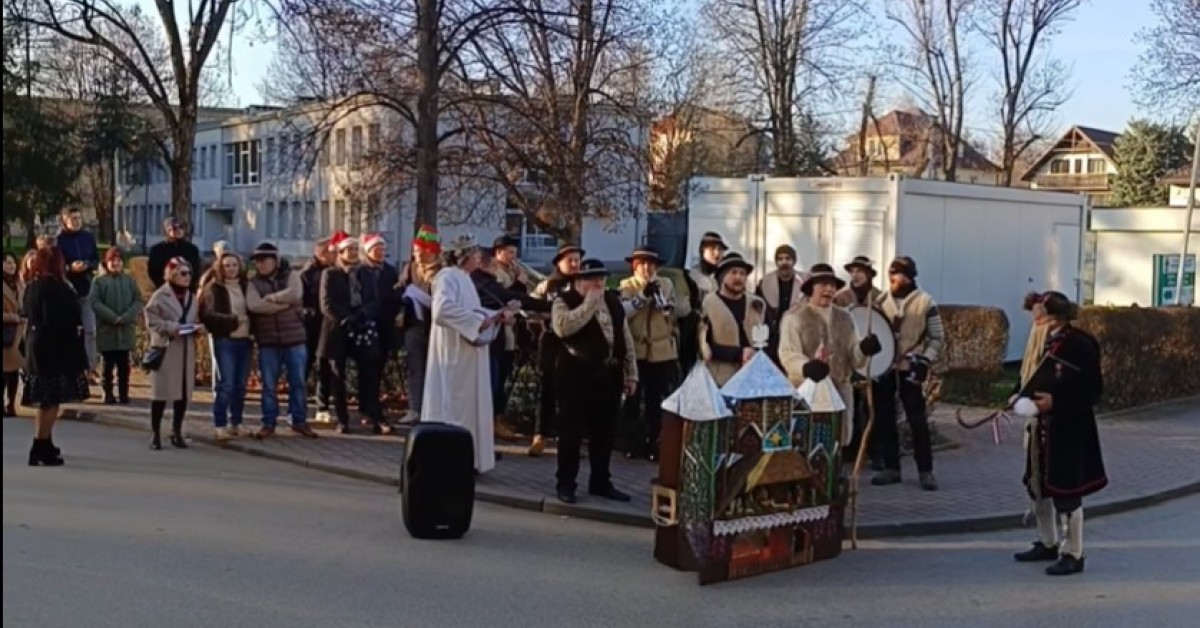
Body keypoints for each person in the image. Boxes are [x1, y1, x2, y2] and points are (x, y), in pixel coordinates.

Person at [1012, 291, 1106, 577]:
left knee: (1067, 492)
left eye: (1038, 312)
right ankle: (1048, 541)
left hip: (1069, 428)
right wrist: (1018, 395)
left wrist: (1056, 402)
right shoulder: (1040, 339)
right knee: (1038, 486)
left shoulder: (1080, 344)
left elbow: (1092, 390)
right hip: (1041, 427)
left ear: (1053, 314)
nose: (1034, 318)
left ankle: (1073, 552)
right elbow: (1030, 376)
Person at [551, 259, 636, 505]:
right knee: (571, 432)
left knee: (604, 431)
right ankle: (566, 483)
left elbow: (625, 337)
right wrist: (588, 304)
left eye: (601, 279)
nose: (598, 284)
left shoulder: (612, 301)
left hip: (608, 374)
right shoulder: (564, 301)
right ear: (578, 281)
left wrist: (631, 373)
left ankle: (600, 481)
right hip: (576, 372)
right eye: (591, 279)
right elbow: (563, 328)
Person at [422, 234, 506, 474]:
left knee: (469, 405)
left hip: (468, 354)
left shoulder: (464, 278)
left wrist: (496, 315)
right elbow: (442, 310)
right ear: (465, 256)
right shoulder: (447, 276)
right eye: (477, 253)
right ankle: (452, 462)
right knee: (456, 406)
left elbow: (471, 311)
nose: (480, 258)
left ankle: (468, 460)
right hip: (454, 356)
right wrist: (478, 321)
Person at [778, 263, 881, 442]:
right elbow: (788, 353)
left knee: (836, 442)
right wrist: (806, 367)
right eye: (823, 285)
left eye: (832, 285)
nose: (829, 289)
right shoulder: (794, 318)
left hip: (839, 391)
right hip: (806, 392)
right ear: (811, 288)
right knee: (806, 441)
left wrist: (864, 349)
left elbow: (855, 358)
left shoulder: (846, 317)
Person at [871, 256, 944, 491]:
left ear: (910, 277)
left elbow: (937, 336)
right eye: (891, 273)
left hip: (910, 366)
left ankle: (926, 471)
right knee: (884, 418)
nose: (893, 277)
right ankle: (891, 467)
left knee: (917, 420)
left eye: (899, 273)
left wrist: (926, 359)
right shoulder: (880, 301)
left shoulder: (925, 302)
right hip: (884, 368)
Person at [21, 247, 91, 466]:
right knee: (50, 401)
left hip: (37, 345)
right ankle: (39, 446)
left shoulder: (33, 287)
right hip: (54, 348)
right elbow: (59, 320)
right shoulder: (57, 288)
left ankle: (46, 442)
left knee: (47, 399)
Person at [618, 246, 688, 461]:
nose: (646, 268)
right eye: (642, 264)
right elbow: (624, 313)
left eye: (650, 264)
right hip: (637, 350)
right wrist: (642, 297)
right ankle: (632, 443)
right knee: (633, 399)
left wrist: (667, 304)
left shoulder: (666, 284)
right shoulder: (626, 285)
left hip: (661, 352)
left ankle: (655, 442)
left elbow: (679, 311)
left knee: (656, 400)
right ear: (634, 266)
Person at [472, 240, 546, 441]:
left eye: (515, 252)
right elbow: (507, 296)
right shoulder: (488, 276)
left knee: (501, 377)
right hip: (495, 333)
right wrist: (521, 284)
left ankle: (497, 419)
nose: (513, 257)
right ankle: (491, 423)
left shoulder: (505, 272)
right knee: (494, 380)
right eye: (509, 252)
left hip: (508, 332)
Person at [319, 233, 391, 435]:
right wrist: (345, 318)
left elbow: (374, 300)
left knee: (369, 373)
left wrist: (361, 315)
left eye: (354, 250)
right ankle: (342, 419)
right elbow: (326, 304)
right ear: (340, 253)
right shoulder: (331, 274)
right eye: (347, 250)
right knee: (338, 376)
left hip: (362, 327)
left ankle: (374, 415)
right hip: (337, 329)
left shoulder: (365, 273)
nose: (352, 253)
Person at [247, 242, 317, 438]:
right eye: (257, 261)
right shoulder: (253, 283)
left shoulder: (291, 276)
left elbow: (296, 294)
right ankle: (268, 422)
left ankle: (299, 420)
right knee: (269, 385)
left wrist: (272, 298)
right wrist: (284, 305)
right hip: (268, 341)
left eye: (263, 260)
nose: (260, 265)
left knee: (298, 383)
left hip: (295, 339)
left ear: (275, 261)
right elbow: (254, 305)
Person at [527, 243, 583, 456]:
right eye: (570, 260)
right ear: (559, 262)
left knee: (572, 393)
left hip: (577, 343)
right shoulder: (547, 285)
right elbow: (528, 308)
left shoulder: (583, 284)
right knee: (547, 389)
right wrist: (543, 317)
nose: (575, 264)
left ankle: (570, 438)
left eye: (577, 260)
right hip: (551, 341)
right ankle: (540, 435)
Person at [144, 257, 202, 450]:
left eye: (189, 273)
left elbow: (198, 317)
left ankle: (176, 431)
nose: (187, 277)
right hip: (166, 348)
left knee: (182, 394)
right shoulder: (160, 296)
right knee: (160, 393)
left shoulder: (192, 298)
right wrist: (173, 327)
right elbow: (151, 321)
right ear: (172, 274)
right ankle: (155, 433)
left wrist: (198, 328)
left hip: (186, 349)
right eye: (183, 273)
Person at [833, 255, 884, 468]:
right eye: (852, 271)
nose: (855, 275)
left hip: (872, 362)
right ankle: (849, 450)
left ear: (869, 274)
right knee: (850, 408)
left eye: (860, 271)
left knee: (874, 408)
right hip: (850, 358)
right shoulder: (842, 298)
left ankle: (875, 452)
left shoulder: (879, 298)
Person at [198, 251, 252, 440]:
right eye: (227, 265)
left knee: (240, 386)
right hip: (225, 340)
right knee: (226, 384)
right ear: (220, 268)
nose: (231, 269)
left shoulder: (246, 287)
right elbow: (208, 316)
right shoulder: (214, 289)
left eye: (234, 265)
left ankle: (236, 422)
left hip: (244, 341)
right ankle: (220, 424)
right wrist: (234, 320)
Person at [698, 251, 764, 386]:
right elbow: (703, 346)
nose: (738, 277)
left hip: (754, 376)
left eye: (742, 273)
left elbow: (771, 337)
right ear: (722, 276)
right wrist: (738, 354)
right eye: (733, 273)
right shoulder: (709, 303)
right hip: (721, 378)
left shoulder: (757, 303)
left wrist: (756, 354)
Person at [396, 225, 442, 424]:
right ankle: (414, 408)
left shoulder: (443, 270)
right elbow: (399, 287)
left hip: (435, 325)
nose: (419, 257)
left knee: (437, 368)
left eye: (423, 253)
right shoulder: (411, 267)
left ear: (433, 252)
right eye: (415, 253)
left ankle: (434, 410)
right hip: (414, 323)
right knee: (415, 367)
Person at [89, 248, 143, 405]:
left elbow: (138, 301)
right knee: (107, 366)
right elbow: (95, 302)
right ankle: (107, 393)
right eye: (113, 261)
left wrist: (127, 316)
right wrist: (112, 317)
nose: (116, 263)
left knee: (124, 367)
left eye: (119, 261)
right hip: (107, 330)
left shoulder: (129, 281)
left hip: (125, 330)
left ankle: (124, 394)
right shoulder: (99, 282)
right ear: (107, 262)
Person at [56, 207, 100, 375]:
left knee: (90, 330)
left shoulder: (88, 238)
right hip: (66, 290)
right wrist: (69, 268)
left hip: (86, 288)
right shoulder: (60, 241)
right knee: (68, 330)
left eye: (79, 219)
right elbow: (56, 264)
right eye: (73, 219)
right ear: (65, 221)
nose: (76, 222)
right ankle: (69, 367)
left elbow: (96, 259)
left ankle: (91, 367)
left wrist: (87, 265)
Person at [680, 231, 728, 374]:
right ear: (702, 251)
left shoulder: (724, 276)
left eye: (720, 249)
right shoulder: (690, 276)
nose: (717, 253)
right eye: (712, 249)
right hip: (695, 334)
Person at [301, 236, 336, 418]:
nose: (336, 255)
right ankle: (299, 403)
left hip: (326, 325)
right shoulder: (309, 273)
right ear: (323, 254)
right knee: (306, 363)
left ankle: (322, 405)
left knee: (325, 365)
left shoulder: (332, 270)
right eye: (333, 252)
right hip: (311, 325)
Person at [755, 245, 805, 365]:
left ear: (793, 261)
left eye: (788, 258)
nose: (784, 262)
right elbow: (758, 311)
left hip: (796, 337)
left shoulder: (804, 282)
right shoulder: (765, 282)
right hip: (772, 340)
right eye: (780, 259)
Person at [148, 217, 202, 290]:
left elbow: (196, 271)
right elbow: (153, 272)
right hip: (165, 289)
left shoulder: (192, 249)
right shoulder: (157, 250)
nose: (179, 230)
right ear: (167, 230)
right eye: (175, 227)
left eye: (181, 227)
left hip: (188, 289)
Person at [3, 253, 25, 417]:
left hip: (18, 333)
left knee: (14, 372)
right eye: (6, 263)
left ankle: (12, 403)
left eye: (12, 263)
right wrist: (12, 317)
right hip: (5, 331)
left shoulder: (19, 284)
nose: (10, 266)